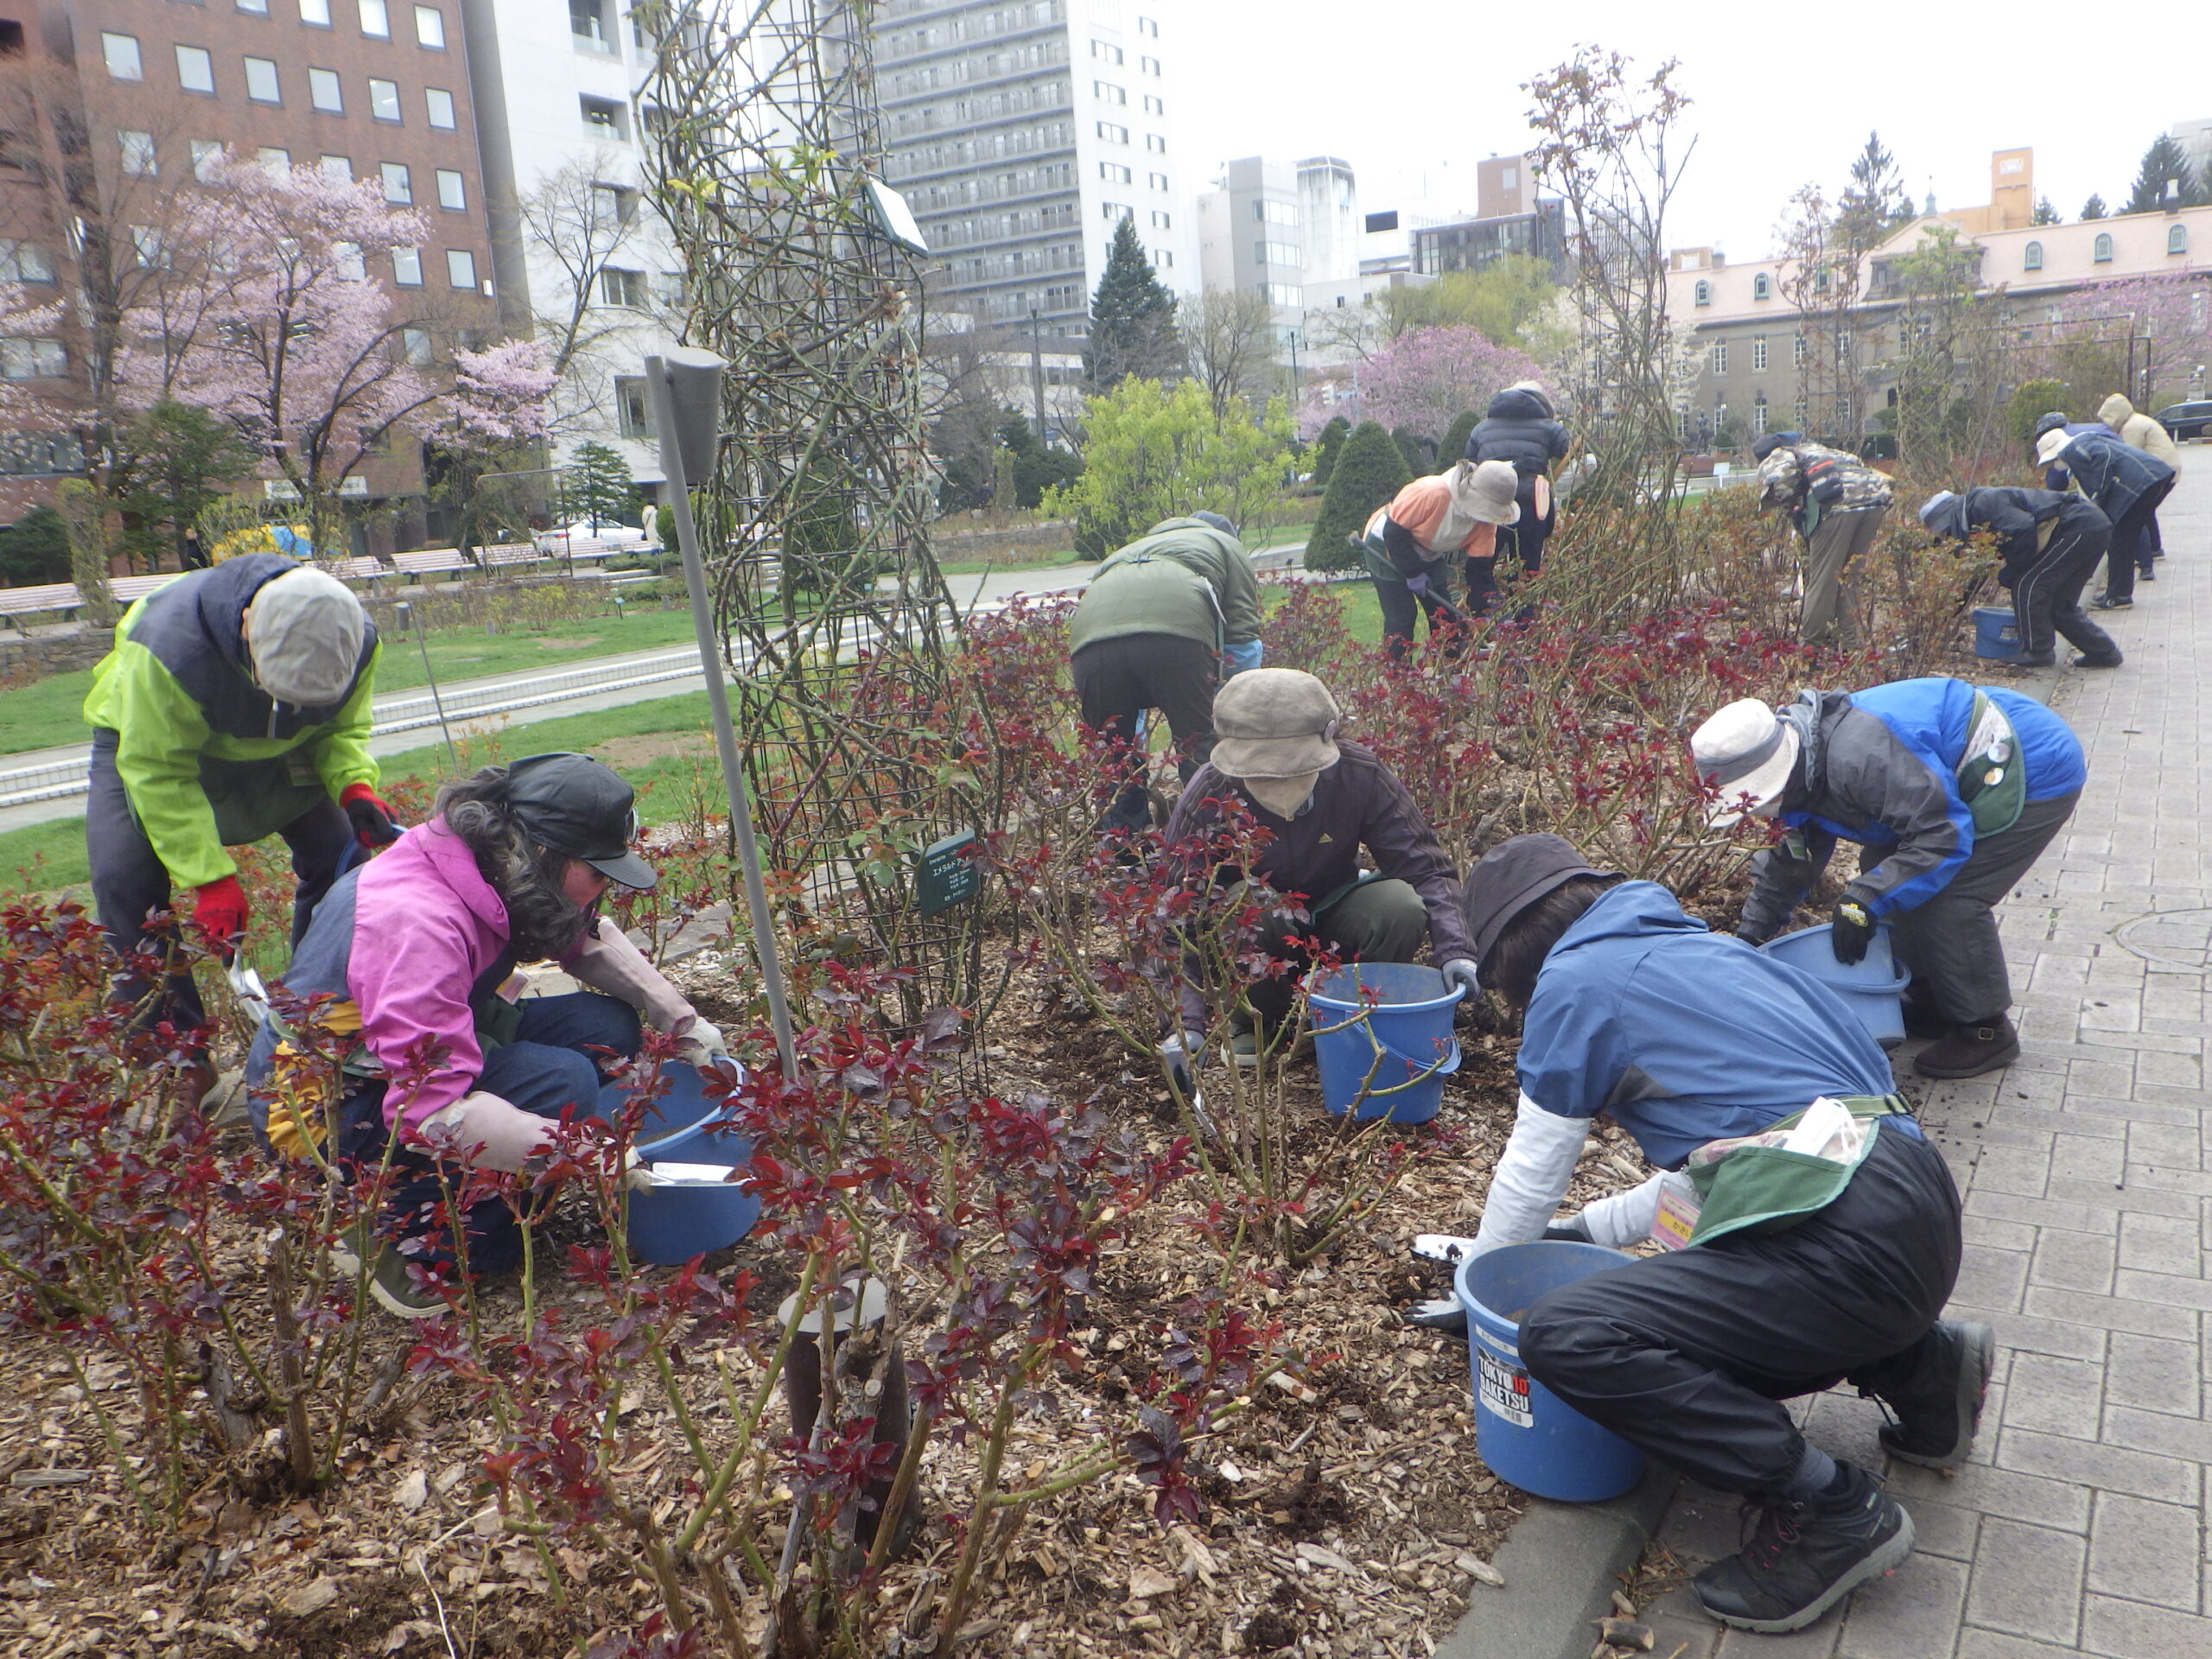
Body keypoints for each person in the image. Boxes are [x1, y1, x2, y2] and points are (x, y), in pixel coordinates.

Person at [1420, 834, 1984, 1636]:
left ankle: (1828, 1510)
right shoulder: (1712, 957)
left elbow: (1530, 1168)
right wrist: (1586, 1229)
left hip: (1841, 1242)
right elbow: (1725, 1169)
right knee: (1719, 1273)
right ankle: (1927, 1367)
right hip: (1914, 1205)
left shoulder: (1574, 984)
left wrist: (1479, 1282)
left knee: (1572, 1335)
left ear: (1514, 956)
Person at [245, 753, 729, 1319]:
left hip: (407, 1053)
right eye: (596, 871)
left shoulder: (494, 860)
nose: (603, 887)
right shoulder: (420, 921)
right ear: (543, 851)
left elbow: (577, 940)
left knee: (606, 1029)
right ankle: (408, 1237)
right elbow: (432, 1112)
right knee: (562, 1082)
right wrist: (583, 1152)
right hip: (323, 1113)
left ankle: (492, 1188)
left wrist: (684, 1025)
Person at [82, 556, 398, 1077]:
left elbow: (340, 731)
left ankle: (318, 1014)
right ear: (248, 625)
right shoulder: (166, 649)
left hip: (281, 747)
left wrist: (354, 785)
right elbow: (159, 772)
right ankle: (178, 1063)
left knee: (343, 857)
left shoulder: (355, 639)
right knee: (124, 882)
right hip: (149, 747)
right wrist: (211, 880)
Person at [1691, 677, 2086, 1078]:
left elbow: (1941, 835)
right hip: (1945, 791)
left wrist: (1864, 898)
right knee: (1890, 878)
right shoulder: (1802, 775)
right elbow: (1790, 864)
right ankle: (1937, 1004)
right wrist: (1750, 939)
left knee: (1948, 899)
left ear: (1777, 773)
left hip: (2027, 766)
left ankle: (1985, 1029)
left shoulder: (1859, 758)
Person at [1158, 668, 1478, 1065]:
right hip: (1258, 942)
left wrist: (1456, 951)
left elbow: (1425, 868)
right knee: (1247, 904)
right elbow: (1174, 913)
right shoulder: (1210, 793)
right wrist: (1184, 1026)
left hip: (1335, 908)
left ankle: (1357, 1012)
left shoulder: (1359, 774)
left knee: (1400, 905)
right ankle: (1258, 1020)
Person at [1069, 512, 1262, 834]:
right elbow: (1242, 639)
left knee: (1116, 754)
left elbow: (1120, 639)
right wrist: (1235, 709)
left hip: (1090, 645)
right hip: (1177, 639)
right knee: (1197, 747)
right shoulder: (1224, 542)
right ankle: (1208, 844)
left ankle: (1122, 854)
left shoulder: (1126, 553)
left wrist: (1135, 738)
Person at [1916, 487, 2120, 669]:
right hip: (2090, 527)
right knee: (2059, 605)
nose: (1945, 536)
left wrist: (2015, 567)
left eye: (1943, 530)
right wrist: (1949, 611)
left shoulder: (1983, 504)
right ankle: (2103, 653)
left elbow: (2022, 527)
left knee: (2029, 584)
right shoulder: (1974, 522)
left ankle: (2038, 652)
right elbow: (1979, 573)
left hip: (2078, 525)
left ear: (1949, 516)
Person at [1358, 461, 1520, 656]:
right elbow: (1393, 533)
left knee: (1445, 617)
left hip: (1428, 549)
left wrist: (1484, 613)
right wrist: (1413, 572)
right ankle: (1398, 678)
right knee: (1402, 617)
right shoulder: (1431, 493)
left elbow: (1480, 573)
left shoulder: (1486, 525)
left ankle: (1448, 672)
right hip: (1386, 542)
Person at [1752, 433, 1894, 644]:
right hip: (1875, 502)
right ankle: (1851, 642)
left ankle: (1811, 645)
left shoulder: (1780, 455)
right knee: (1849, 577)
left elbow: (1781, 486)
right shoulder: (1820, 450)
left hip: (1837, 509)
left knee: (1823, 579)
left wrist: (1792, 510)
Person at [2036, 425, 2175, 611]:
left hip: (2142, 482)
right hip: (2155, 476)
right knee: (2124, 539)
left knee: (2119, 541)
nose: (2055, 465)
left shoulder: (2074, 448)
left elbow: (2103, 457)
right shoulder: (2085, 441)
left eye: (2053, 461)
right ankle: (2120, 594)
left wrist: (2099, 493)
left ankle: (2118, 596)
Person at [1464, 380, 1571, 614]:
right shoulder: (1550, 427)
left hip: (1491, 497)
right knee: (1527, 565)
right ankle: (1524, 624)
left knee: (1485, 560)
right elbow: (1570, 453)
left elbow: (1469, 462)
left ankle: (1482, 617)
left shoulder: (1481, 429)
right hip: (1532, 497)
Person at [2094, 393, 2181, 580]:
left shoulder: (2132, 427)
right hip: (2167, 469)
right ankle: (2154, 549)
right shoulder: (2139, 420)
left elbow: (2129, 458)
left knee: (2137, 516)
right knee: (2147, 512)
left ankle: (2145, 560)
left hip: (2157, 473)